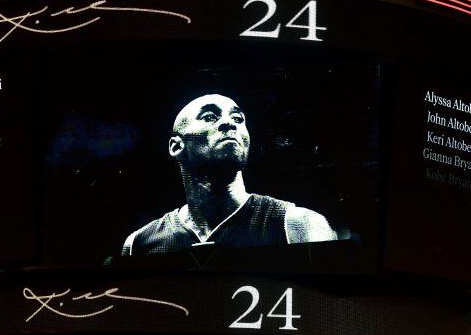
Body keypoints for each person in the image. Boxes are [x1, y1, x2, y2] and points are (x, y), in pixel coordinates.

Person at [122, 94, 337, 256]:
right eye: (209, 117)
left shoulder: (300, 225)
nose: (229, 123)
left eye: (238, 118)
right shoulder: (139, 244)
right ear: (176, 146)